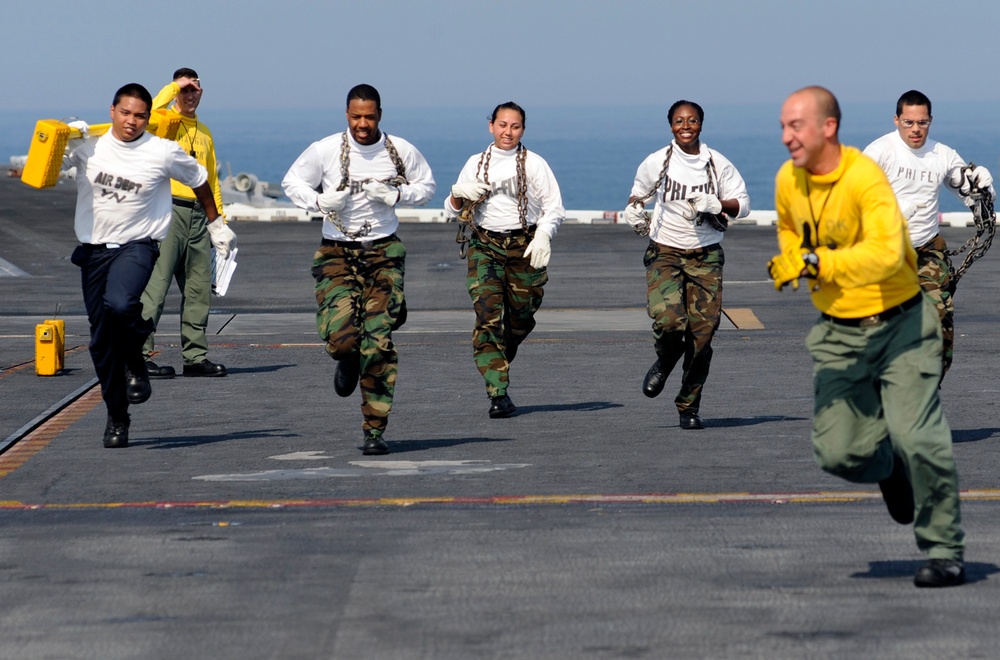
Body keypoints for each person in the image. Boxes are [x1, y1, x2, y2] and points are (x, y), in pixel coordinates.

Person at [770, 86, 965, 588]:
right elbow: (794, 237)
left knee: (921, 439)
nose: (787, 135)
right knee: (837, 453)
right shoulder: (787, 182)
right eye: (784, 126)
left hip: (901, 323)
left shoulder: (865, 177)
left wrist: (820, 262)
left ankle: (944, 550)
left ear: (828, 128)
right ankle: (886, 467)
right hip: (839, 332)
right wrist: (792, 260)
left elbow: (884, 253)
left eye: (797, 125)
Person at [61, 83, 225, 448]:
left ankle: (134, 355)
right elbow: (47, 171)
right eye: (125, 113)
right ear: (112, 111)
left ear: (148, 118)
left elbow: (200, 180)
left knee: (121, 302)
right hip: (94, 250)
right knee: (101, 343)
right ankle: (117, 415)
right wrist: (62, 137)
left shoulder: (162, 151)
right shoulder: (90, 146)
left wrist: (216, 224)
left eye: (139, 115)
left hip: (138, 246)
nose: (131, 121)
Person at [282, 84, 435, 455]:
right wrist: (318, 200)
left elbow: (427, 186)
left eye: (369, 116)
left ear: (379, 114)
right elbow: (292, 182)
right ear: (346, 115)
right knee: (343, 338)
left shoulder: (399, 151)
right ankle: (346, 357)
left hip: (382, 252)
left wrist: (397, 195)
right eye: (355, 116)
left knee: (378, 342)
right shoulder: (326, 150)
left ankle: (374, 429)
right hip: (337, 251)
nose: (362, 124)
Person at [621, 100, 750, 430]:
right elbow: (639, 197)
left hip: (705, 256)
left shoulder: (717, 164)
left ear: (701, 124)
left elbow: (743, 205)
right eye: (679, 121)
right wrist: (634, 212)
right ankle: (665, 359)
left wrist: (717, 203)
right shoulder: (657, 163)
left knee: (702, 336)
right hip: (665, 252)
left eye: (692, 120)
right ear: (671, 126)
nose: (686, 125)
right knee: (669, 321)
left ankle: (688, 406)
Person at [863, 90, 994, 379]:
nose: (916, 130)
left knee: (939, 322)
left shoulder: (942, 154)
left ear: (930, 121)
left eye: (922, 123)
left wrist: (982, 189)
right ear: (896, 120)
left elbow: (967, 189)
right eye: (909, 123)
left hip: (926, 250)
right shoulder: (879, 152)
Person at [446, 102, 565, 418]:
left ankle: (498, 357)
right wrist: (457, 192)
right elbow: (452, 209)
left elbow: (554, 207)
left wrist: (544, 235)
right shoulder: (475, 163)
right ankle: (498, 394)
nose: (507, 132)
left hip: (524, 247)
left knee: (521, 319)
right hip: (485, 247)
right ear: (491, 126)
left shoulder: (535, 165)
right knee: (488, 318)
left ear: (522, 129)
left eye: (514, 126)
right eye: (502, 124)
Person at [139, 68, 237, 380]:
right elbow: (148, 114)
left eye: (195, 89)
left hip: (199, 215)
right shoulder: (165, 123)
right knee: (156, 286)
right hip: (169, 212)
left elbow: (212, 181)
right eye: (185, 90)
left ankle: (195, 357)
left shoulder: (205, 132)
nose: (190, 95)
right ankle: (139, 354)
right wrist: (172, 87)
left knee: (198, 290)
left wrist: (218, 222)